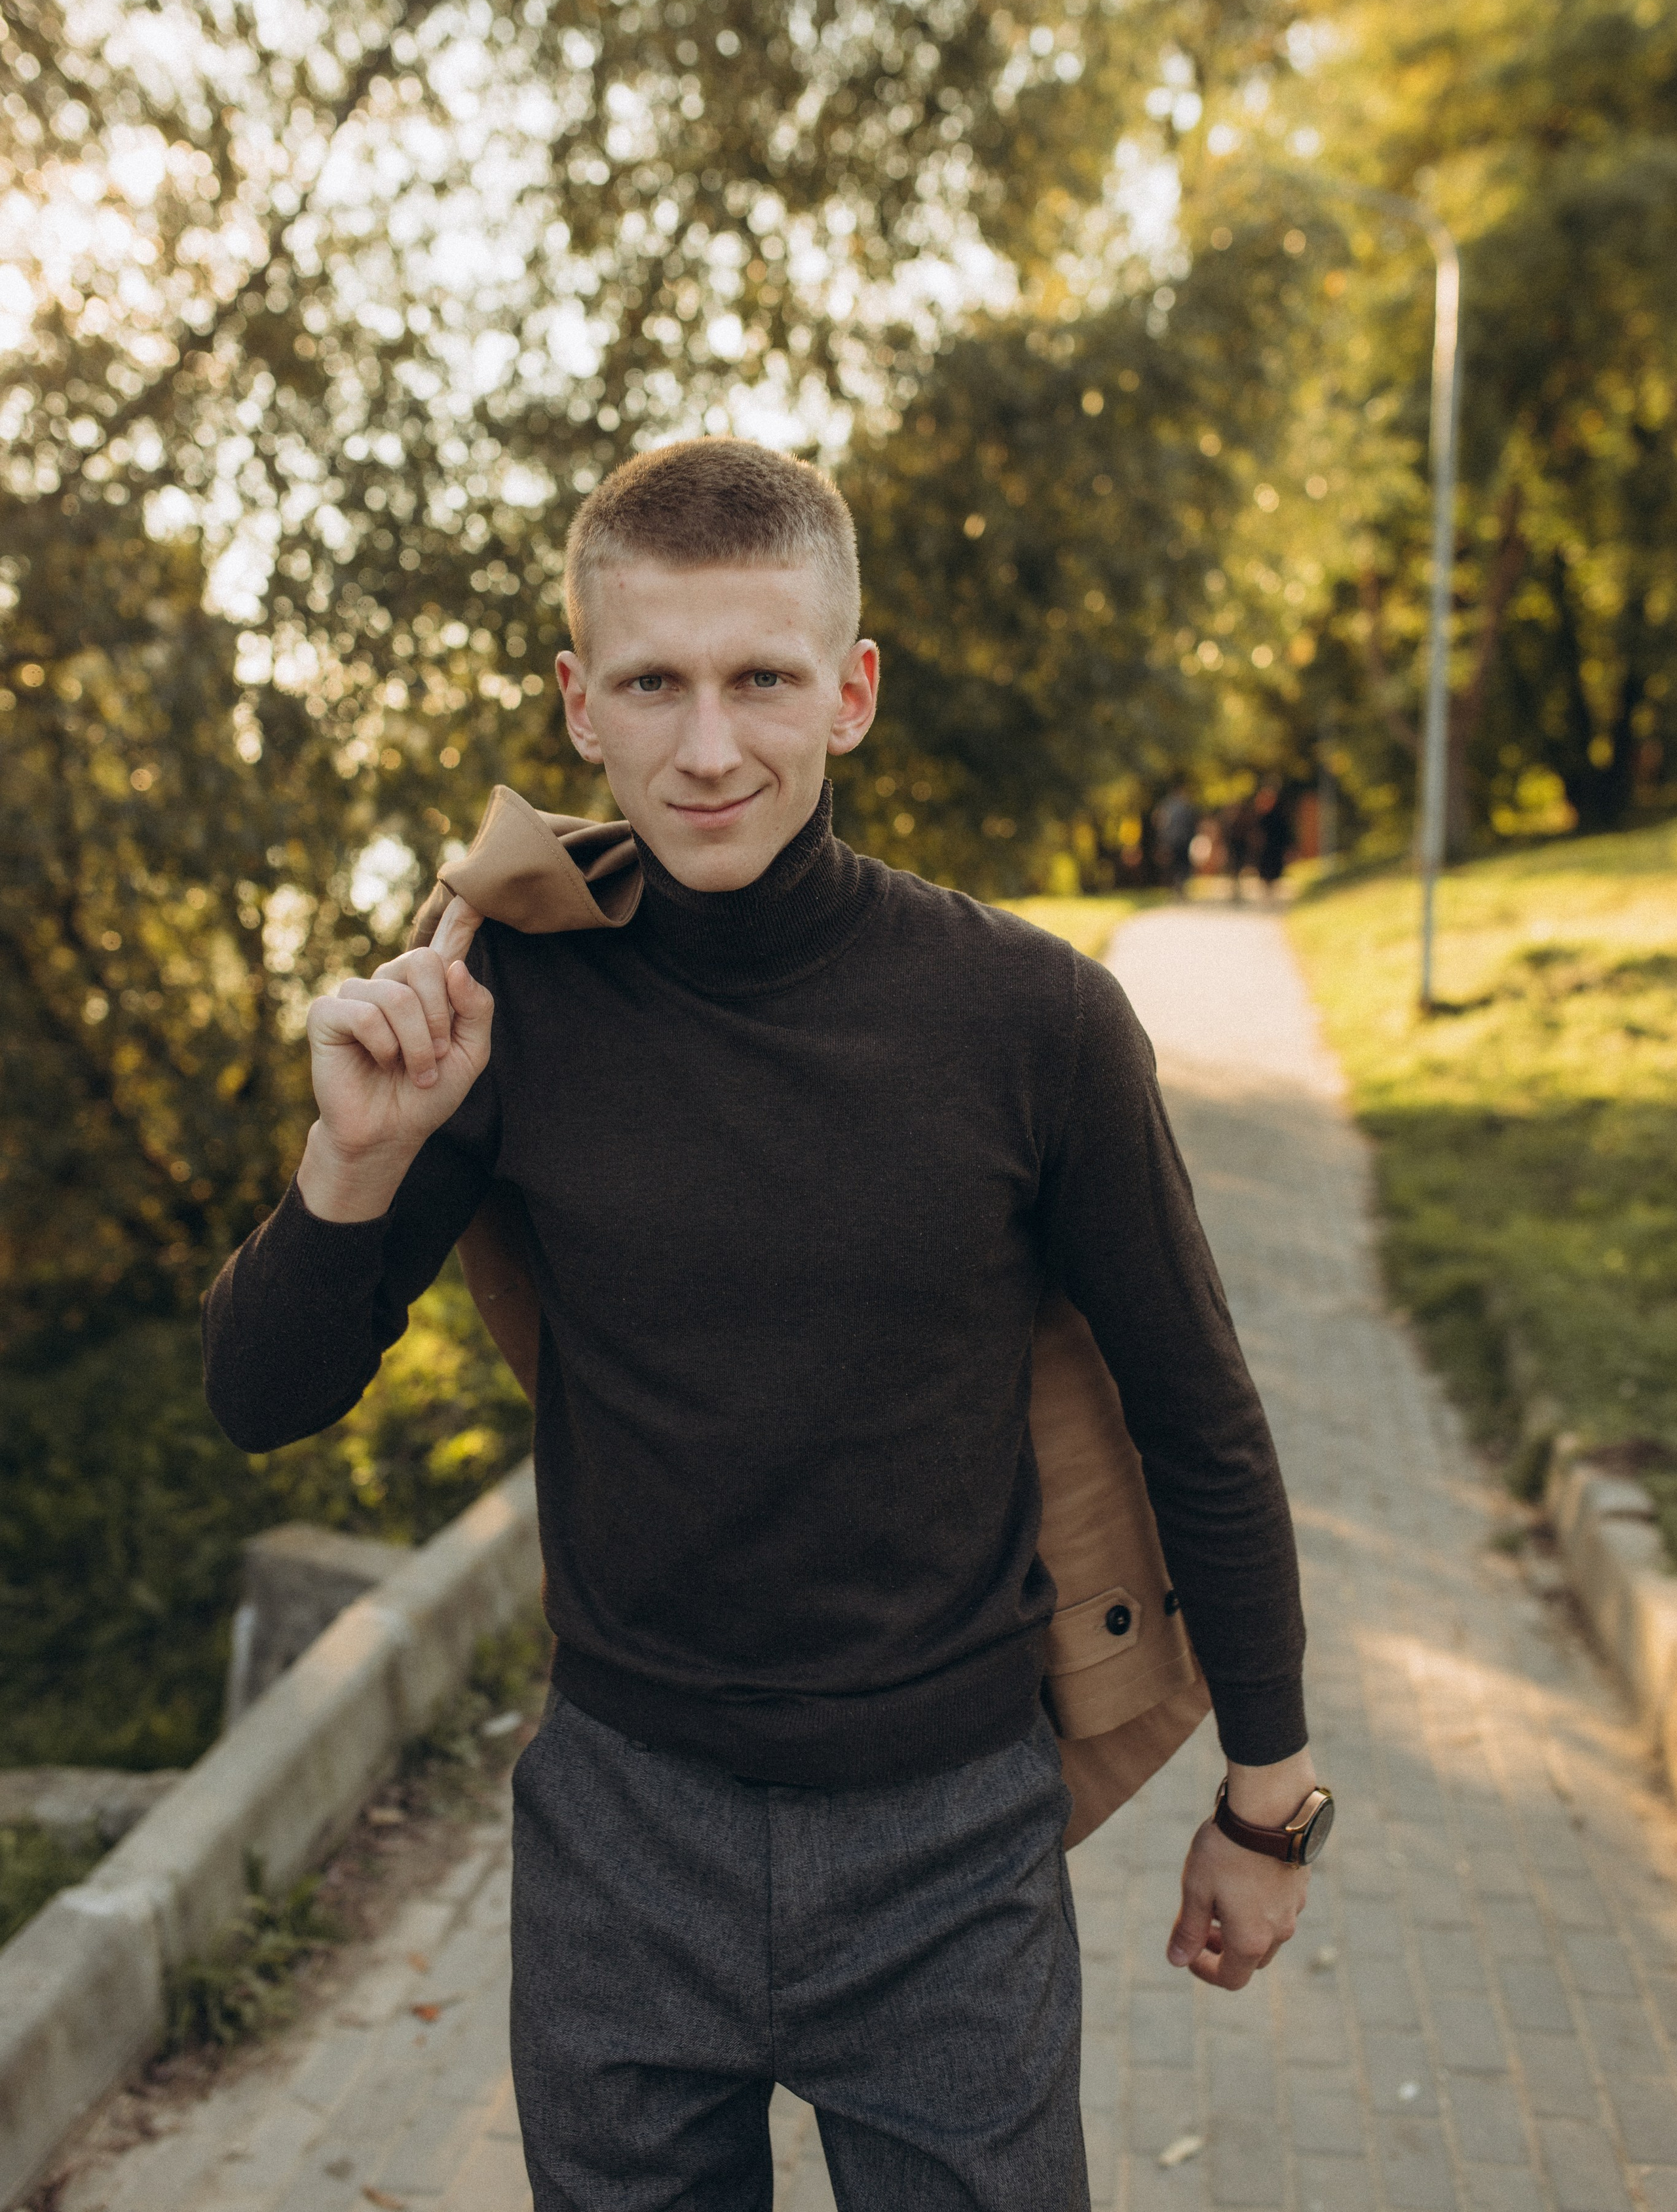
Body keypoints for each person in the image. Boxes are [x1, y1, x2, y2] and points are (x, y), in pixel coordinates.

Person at [202, 440, 1323, 2212]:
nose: (707, 746)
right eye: (653, 683)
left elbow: (1203, 1416)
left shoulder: (1035, 1024)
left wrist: (1270, 1804)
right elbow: (262, 1399)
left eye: (760, 681)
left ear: (850, 693)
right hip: (621, 1838)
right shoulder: (501, 1003)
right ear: (581, 702)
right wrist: (350, 1163)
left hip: (954, 1842)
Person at [1152, 779, 1198, 900]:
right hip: (1180, 840)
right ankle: (1179, 889)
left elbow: (1159, 823)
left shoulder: (1166, 805)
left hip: (1173, 841)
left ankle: (1177, 890)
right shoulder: (1184, 806)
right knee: (1180, 866)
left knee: (1176, 866)